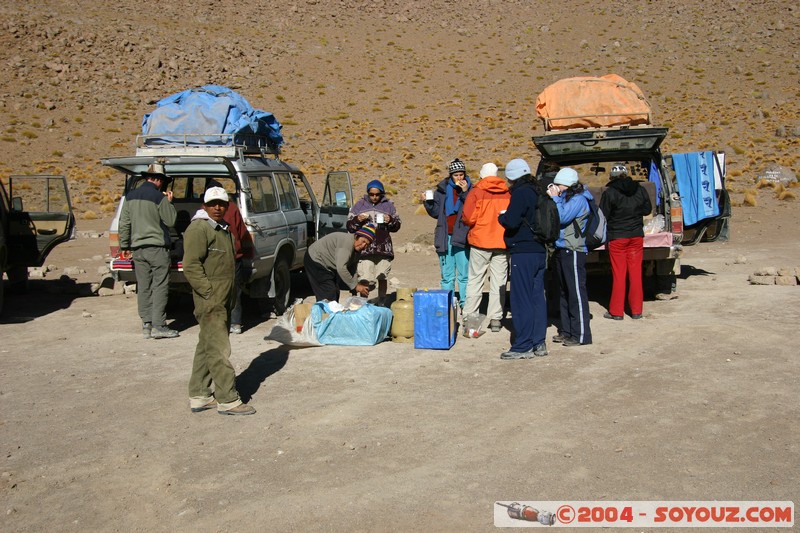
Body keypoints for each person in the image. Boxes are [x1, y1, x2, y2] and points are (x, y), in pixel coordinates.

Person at [182, 187, 255, 415]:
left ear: (227, 206)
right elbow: (191, 265)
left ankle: (199, 395)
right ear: (204, 205)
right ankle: (228, 399)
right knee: (219, 348)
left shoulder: (223, 229)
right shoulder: (199, 229)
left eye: (221, 204)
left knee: (207, 345)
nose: (217, 207)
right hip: (210, 299)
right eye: (212, 204)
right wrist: (208, 292)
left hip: (224, 297)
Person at [118, 163, 179, 340]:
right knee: (160, 286)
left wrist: (125, 246)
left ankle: (146, 324)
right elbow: (171, 220)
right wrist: (169, 203)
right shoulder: (158, 197)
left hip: (138, 249)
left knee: (143, 286)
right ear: (159, 180)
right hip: (157, 248)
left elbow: (124, 223)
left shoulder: (130, 196)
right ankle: (159, 325)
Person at [497, 158, 548, 359]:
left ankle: (523, 345)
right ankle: (539, 342)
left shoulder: (520, 193)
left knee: (521, 299)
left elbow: (511, 220)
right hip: (539, 250)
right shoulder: (538, 191)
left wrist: (502, 217)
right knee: (537, 298)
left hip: (523, 251)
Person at [461, 162, 510, 333]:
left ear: (482, 175)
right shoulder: (507, 193)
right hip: (502, 242)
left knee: (475, 279)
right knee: (499, 281)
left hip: (480, 241)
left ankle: (470, 316)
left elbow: (468, 217)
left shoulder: (476, 192)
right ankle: (496, 318)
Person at [547, 167, 593, 347]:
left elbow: (563, 217)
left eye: (558, 185)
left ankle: (581, 335)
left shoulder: (579, 199)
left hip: (573, 250)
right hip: (562, 248)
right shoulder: (568, 198)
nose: (556, 188)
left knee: (576, 293)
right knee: (564, 293)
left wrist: (555, 198)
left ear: (566, 185)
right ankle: (567, 331)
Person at [600, 163, 652, 320]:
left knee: (619, 275)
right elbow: (647, 210)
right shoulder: (640, 189)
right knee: (636, 275)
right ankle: (637, 310)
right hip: (636, 236)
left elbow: (603, 214)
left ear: (612, 177)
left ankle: (616, 312)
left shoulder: (610, 193)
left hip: (618, 237)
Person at [422, 158, 472, 311]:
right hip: (446, 236)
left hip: (462, 236)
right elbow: (436, 213)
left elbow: (471, 209)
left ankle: (465, 304)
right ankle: (448, 304)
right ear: (450, 175)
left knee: (464, 274)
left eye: (461, 174)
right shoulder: (442, 191)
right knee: (447, 274)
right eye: (456, 175)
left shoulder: (471, 190)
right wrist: (427, 203)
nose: (459, 178)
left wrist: (464, 193)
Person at [346, 179, 401, 304]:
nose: (374, 197)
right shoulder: (359, 205)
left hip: (383, 248)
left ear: (382, 194)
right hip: (365, 249)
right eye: (372, 194)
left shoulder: (389, 206)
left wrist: (390, 220)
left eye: (377, 194)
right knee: (365, 278)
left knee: (382, 276)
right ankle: (363, 304)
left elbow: (397, 226)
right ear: (368, 193)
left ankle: (381, 302)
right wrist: (357, 220)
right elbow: (349, 226)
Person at [303, 225, 376, 302]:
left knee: (335, 291)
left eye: (367, 244)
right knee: (328, 292)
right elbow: (341, 268)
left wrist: (354, 289)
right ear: (357, 236)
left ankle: (332, 311)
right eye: (363, 241)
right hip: (315, 259)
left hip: (328, 264)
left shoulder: (357, 251)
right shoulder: (347, 245)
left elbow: (352, 268)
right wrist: (355, 286)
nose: (364, 246)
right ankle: (326, 313)